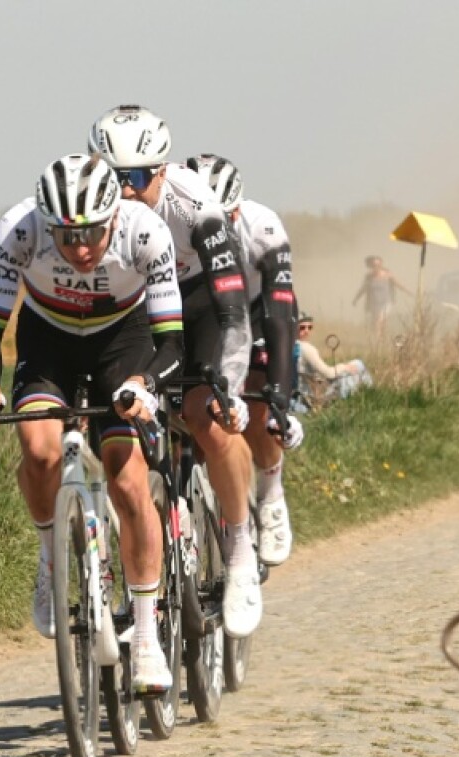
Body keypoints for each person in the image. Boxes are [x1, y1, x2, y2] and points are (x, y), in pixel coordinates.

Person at [0, 153, 182, 694]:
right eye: (66, 237)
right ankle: (50, 558)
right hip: (49, 340)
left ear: (114, 218)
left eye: (90, 234)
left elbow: (173, 341)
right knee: (38, 451)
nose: (80, 249)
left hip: (122, 340)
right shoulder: (19, 230)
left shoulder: (146, 233)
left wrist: (145, 385)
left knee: (127, 477)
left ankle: (148, 633)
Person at [88, 105, 261, 638]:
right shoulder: (92, 212)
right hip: (141, 311)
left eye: (137, 178)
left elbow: (232, 308)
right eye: (114, 178)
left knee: (205, 415)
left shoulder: (195, 206)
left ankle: (238, 551)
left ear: (161, 171)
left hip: (201, 304)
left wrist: (227, 389)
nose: (126, 190)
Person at [189, 153, 305, 568]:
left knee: (259, 415)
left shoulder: (264, 227)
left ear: (237, 208)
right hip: (204, 312)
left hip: (258, 312)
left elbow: (279, 314)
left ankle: (271, 492)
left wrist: (279, 397)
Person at [295, 312, 373, 404]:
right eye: (302, 327)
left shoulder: (287, 347)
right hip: (313, 398)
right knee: (358, 364)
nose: (307, 331)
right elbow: (329, 373)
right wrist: (344, 367)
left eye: (310, 327)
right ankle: (370, 396)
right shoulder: (306, 348)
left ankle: (367, 395)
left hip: (301, 395)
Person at [352, 255, 410, 340]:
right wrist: (356, 299)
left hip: (386, 302)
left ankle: (377, 341)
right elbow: (363, 289)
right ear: (371, 266)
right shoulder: (369, 277)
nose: (376, 267)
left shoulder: (387, 275)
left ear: (381, 265)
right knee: (379, 322)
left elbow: (397, 284)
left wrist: (407, 291)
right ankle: (381, 339)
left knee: (379, 320)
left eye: (378, 265)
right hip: (374, 303)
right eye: (374, 265)